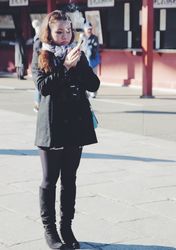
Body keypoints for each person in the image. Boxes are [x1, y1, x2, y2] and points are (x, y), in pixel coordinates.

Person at [32, 10, 100, 250]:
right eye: (59, 31)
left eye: (68, 31)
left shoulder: (77, 54)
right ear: (49, 33)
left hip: (76, 125)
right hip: (51, 125)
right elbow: (43, 87)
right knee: (50, 180)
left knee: (70, 179)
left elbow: (94, 84)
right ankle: (50, 231)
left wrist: (78, 65)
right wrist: (64, 66)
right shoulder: (41, 53)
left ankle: (66, 227)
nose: (64, 36)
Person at [81, 21, 100, 98]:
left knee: (93, 76)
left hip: (93, 61)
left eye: (90, 29)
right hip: (85, 61)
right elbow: (80, 47)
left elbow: (95, 47)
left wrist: (89, 47)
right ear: (85, 29)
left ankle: (94, 92)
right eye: (88, 29)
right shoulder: (82, 38)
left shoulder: (95, 38)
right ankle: (87, 91)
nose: (89, 30)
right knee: (85, 76)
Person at [31, 19, 42, 112]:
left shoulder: (37, 37)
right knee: (39, 85)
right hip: (40, 64)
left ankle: (38, 103)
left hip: (39, 64)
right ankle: (38, 103)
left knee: (38, 85)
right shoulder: (39, 40)